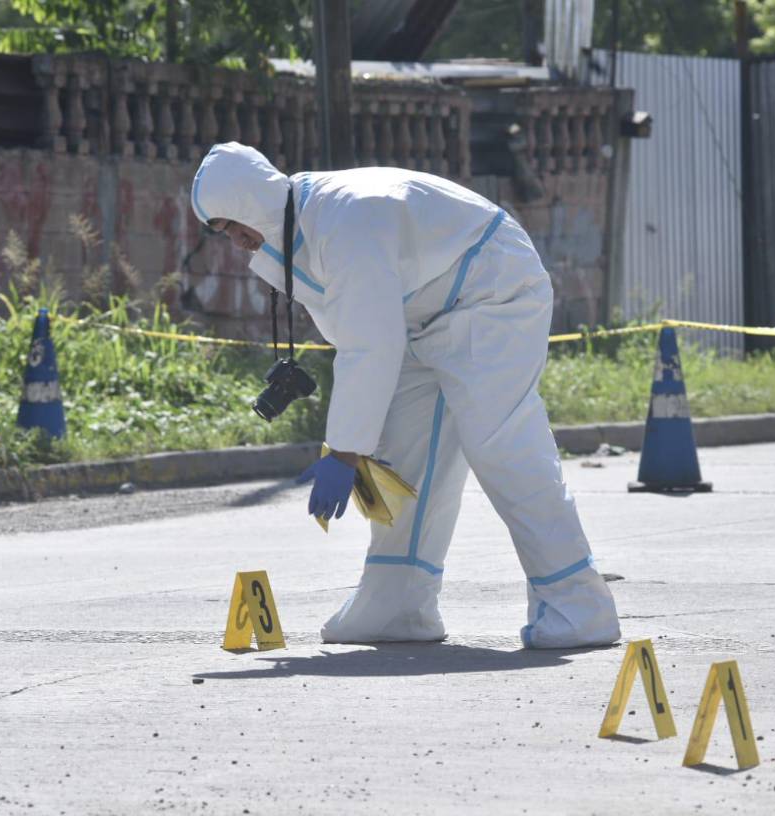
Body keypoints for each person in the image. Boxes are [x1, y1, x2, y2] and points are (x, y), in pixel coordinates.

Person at [191, 142, 620, 649]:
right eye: (223, 233)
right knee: (405, 459)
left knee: (499, 445)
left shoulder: (345, 218)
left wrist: (343, 451)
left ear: (252, 202)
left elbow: (369, 344)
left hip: (491, 292)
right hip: (419, 315)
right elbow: (363, 336)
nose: (237, 241)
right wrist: (352, 446)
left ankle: (579, 603)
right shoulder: (295, 230)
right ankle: (398, 606)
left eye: (235, 225)